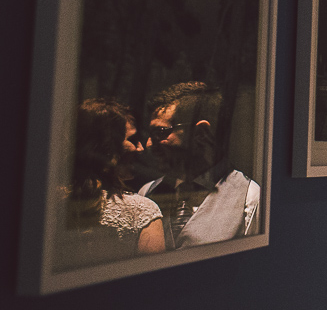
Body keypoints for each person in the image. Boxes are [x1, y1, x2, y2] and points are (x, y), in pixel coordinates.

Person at [139, 82, 260, 249]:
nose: (149, 145)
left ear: (201, 134)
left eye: (160, 133)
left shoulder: (250, 198)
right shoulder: (147, 193)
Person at [56, 98, 165, 270]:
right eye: (132, 139)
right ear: (106, 148)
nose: (141, 148)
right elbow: (153, 283)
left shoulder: (46, 204)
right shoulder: (141, 211)